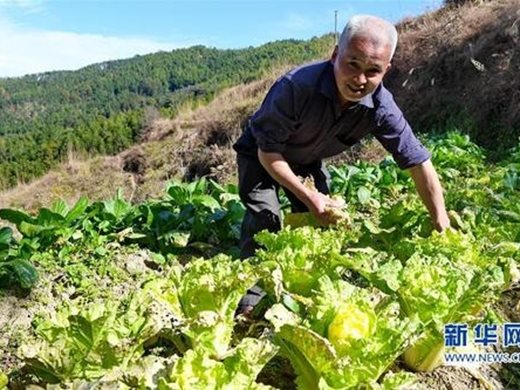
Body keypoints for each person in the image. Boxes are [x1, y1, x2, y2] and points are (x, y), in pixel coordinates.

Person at [232, 14, 450, 314]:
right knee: (266, 218)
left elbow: (418, 163)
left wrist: (441, 220)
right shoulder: (296, 88)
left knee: (320, 223)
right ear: (335, 55)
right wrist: (310, 197)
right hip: (262, 154)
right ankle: (249, 300)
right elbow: (268, 155)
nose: (360, 80)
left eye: (373, 71)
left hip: (306, 159)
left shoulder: (381, 108)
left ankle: (302, 290)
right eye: (353, 64)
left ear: (386, 71)